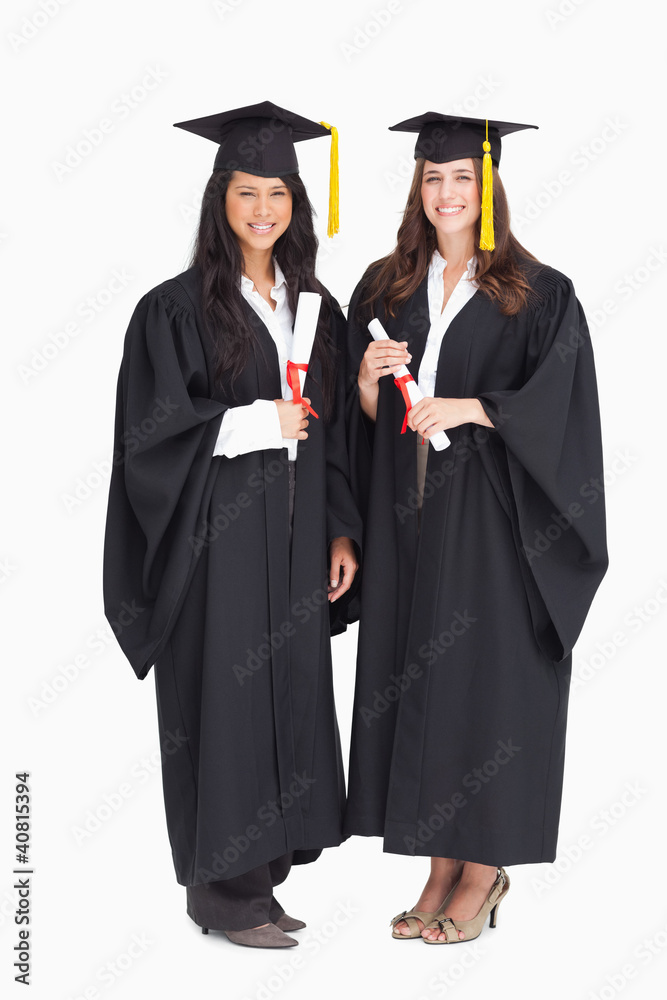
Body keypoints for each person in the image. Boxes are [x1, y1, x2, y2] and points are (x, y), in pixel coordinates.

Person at [343, 113, 608, 944]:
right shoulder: (383, 288)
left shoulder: (537, 290)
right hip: (407, 524)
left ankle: (483, 866)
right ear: (416, 190)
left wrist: (478, 408)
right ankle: (437, 860)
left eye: (461, 178)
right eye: (432, 179)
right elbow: (357, 425)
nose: (446, 193)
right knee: (423, 682)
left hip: (496, 525)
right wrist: (362, 379)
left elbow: (563, 410)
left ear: (486, 188)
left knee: (483, 685)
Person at [102, 101, 361, 949]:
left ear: (296, 203)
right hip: (214, 543)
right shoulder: (173, 309)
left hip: (293, 541)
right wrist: (251, 421)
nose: (262, 209)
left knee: (285, 695)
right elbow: (151, 436)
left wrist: (341, 530)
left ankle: (263, 878)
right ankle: (219, 893)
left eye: (277, 192)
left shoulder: (314, 305)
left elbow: (336, 431)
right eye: (246, 192)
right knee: (225, 700)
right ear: (220, 202)